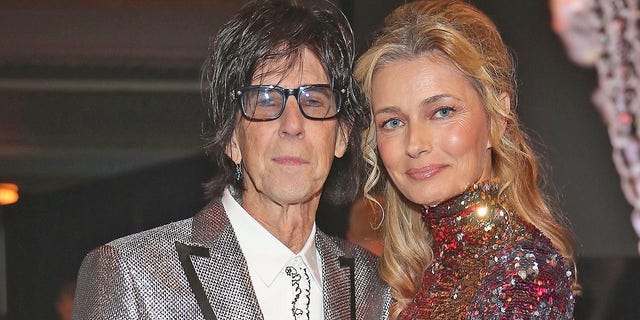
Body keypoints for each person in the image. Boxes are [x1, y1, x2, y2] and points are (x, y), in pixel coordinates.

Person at [72, 1, 390, 319]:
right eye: (265, 100)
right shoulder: (131, 273)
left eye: (313, 100)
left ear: (341, 135)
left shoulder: (376, 286)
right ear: (230, 138)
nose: (293, 125)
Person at [355, 0, 578, 318]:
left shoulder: (524, 271)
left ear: (497, 118)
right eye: (393, 122)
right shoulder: (417, 271)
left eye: (442, 112)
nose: (415, 144)